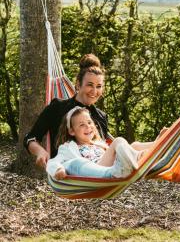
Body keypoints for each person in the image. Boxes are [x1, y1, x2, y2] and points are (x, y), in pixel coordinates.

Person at [24, 53, 158, 169]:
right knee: (122, 144)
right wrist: (40, 151)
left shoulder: (100, 116)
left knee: (132, 145)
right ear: (78, 84)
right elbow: (30, 138)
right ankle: (156, 149)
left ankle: (163, 144)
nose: (94, 92)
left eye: (99, 86)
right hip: (71, 170)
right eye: (89, 85)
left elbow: (102, 147)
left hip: (100, 166)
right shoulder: (58, 107)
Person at [46, 106, 145, 179]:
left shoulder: (99, 144)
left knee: (134, 145)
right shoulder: (68, 148)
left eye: (89, 122)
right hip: (97, 172)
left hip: (114, 165)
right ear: (72, 131)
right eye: (81, 125)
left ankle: (157, 148)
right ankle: (117, 171)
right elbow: (53, 162)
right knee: (118, 141)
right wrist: (58, 169)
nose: (88, 126)